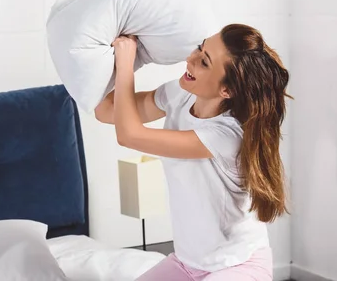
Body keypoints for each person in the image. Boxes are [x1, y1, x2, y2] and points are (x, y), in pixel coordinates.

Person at [95, 24, 291, 280]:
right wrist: (124, 60)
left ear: (227, 90)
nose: (190, 59)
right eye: (200, 48)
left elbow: (129, 135)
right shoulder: (180, 94)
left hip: (237, 266)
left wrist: (126, 63)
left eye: (204, 62)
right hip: (187, 264)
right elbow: (106, 111)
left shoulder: (227, 135)